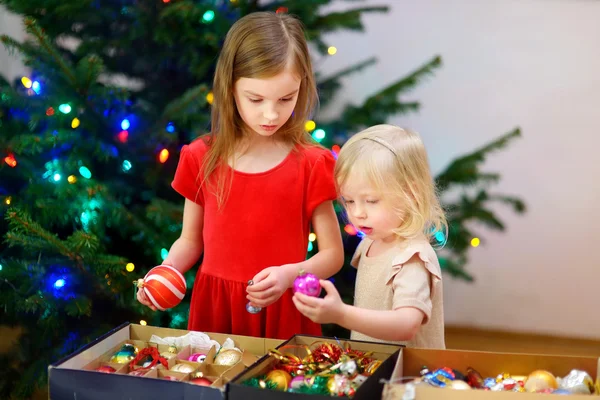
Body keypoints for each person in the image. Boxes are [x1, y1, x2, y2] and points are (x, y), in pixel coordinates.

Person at [136, 11, 344, 339]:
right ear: (230, 87)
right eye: (256, 99)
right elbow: (190, 240)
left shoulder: (311, 163)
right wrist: (165, 272)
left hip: (284, 310)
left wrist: (290, 274)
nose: (271, 113)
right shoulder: (201, 157)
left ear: (301, 88)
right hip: (215, 311)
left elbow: (333, 255)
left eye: (286, 98)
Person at [293, 124, 446, 348]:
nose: (357, 213)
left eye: (371, 201)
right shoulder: (372, 242)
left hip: (406, 377)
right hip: (377, 367)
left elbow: (407, 324)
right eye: (349, 201)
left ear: (410, 193)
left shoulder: (412, 257)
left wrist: (341, 314)